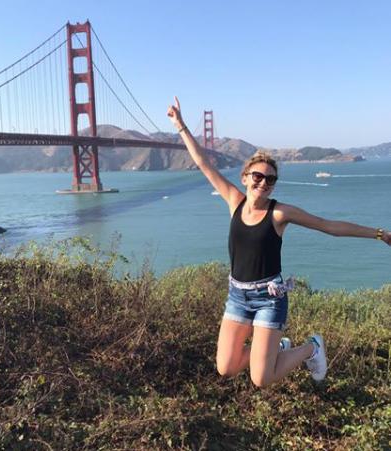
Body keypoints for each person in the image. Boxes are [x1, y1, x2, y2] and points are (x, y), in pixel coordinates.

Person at [167, 97, 391, 387]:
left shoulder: (279, 214)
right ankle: (276, 348)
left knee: (261, 378)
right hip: (237, 295)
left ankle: (312, 348)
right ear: (245, 177)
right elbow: (203, 163)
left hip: (269, 298)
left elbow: (329, 226)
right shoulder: (234, 201)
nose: (263, 182)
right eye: (258, 176)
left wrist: (378, 234)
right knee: (226, 368)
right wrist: (181, 125)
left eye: (270, 180)